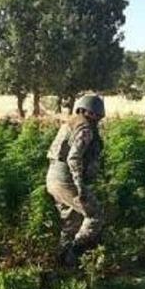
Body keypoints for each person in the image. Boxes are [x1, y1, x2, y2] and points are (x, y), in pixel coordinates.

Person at [45, 94, 106, 266]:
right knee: (95, 215)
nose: (97, 118)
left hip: (53, 177)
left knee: (71, 221)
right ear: (88, 112)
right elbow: (73, 158)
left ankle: (62, 262)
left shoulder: (70, 124)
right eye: (96, 114)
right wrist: (79, 185)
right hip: (66, 178)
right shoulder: (85, 129)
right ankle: (75, 252)